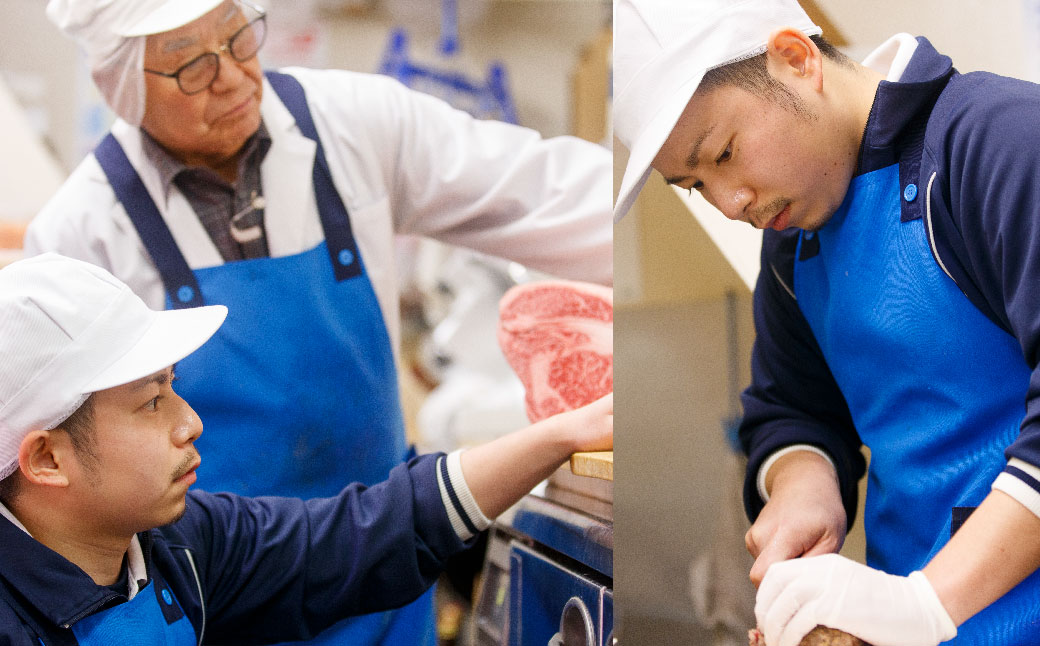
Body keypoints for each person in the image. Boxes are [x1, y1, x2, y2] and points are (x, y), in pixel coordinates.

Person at [26, 1, 612, 644]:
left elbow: (550, 195)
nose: (232, 76)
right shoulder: (83, 231)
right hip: (230, 584)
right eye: (190, 65)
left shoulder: (354, 122)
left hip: (388, 562)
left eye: (239, 39)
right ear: (122, 85)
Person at [614, 1, 1040, 645]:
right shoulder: (794, 246)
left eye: (724, 153)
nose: (730, 204)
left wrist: (926, 604)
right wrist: (804, 485)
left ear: (796, 58)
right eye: (695, 186)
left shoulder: (996, 143)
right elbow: (792, 407)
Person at [0, 252, 613, 646]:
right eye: (150, 402)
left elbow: (360, 535)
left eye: (172, 387)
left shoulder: (175, 545)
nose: (190, 423)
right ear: (48, 458)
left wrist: (558, 435)